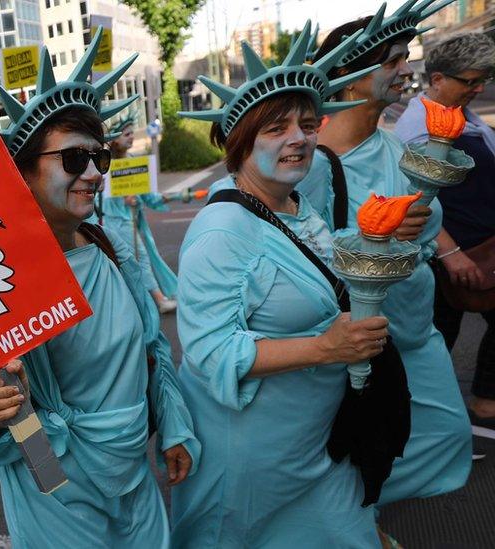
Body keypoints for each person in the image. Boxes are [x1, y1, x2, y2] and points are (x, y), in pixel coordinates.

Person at [0, 30, 199, 548]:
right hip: (57, 491)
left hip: (134, 473)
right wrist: (4, 415)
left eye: (98, 158)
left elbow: (152, 347)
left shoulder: (107, 246)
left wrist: (172, 426)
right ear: (23, 171)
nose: (91, 173)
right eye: (71, 159)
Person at [171, 23, 397, 547]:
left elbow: (319, 264)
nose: (298, 138)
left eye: (307, 123)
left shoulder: (294, 204)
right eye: (275, 128)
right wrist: (324, 348)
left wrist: (376, 235)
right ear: (239, 142)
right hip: (251, 458)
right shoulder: (220, 233)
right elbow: (209, 352)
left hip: (317, 442)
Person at [296, 3, 472, 540]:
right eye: (393, 60)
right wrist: (380, 235)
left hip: (417, 326)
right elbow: (302, 251)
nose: (405, 70)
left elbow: (425, 225)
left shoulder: (401, 146)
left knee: (446, 437)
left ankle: (350, 510)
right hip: (366, 338)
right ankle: (350, 518)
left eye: (405, 57)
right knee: (362, 445)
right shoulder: (312, 162)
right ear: (350, 80)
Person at [394, 32, 495, 432]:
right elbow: (414, 198)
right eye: (469, 80)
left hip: (482, 245)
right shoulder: (418, 129)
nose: (479, 87)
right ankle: (417, 427)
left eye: (481, 79)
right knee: (433, 338)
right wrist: (451, 254)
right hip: (451, 255)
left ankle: (482, 402)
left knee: (441, 336)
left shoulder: (461, 116)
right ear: (437, 79)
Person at [96, 110, 179, 314]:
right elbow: (103, 196)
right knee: (139, 258)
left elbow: (146, 193)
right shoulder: (107, 164)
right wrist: (123, 199)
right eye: (126, 134)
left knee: (132, 260)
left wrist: (166, 197)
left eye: (132, 133)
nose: (132, 137)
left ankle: (141, 301)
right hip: (116, 221)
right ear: (114, 140)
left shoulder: (134, 160)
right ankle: (159, 301)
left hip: (131, 220)